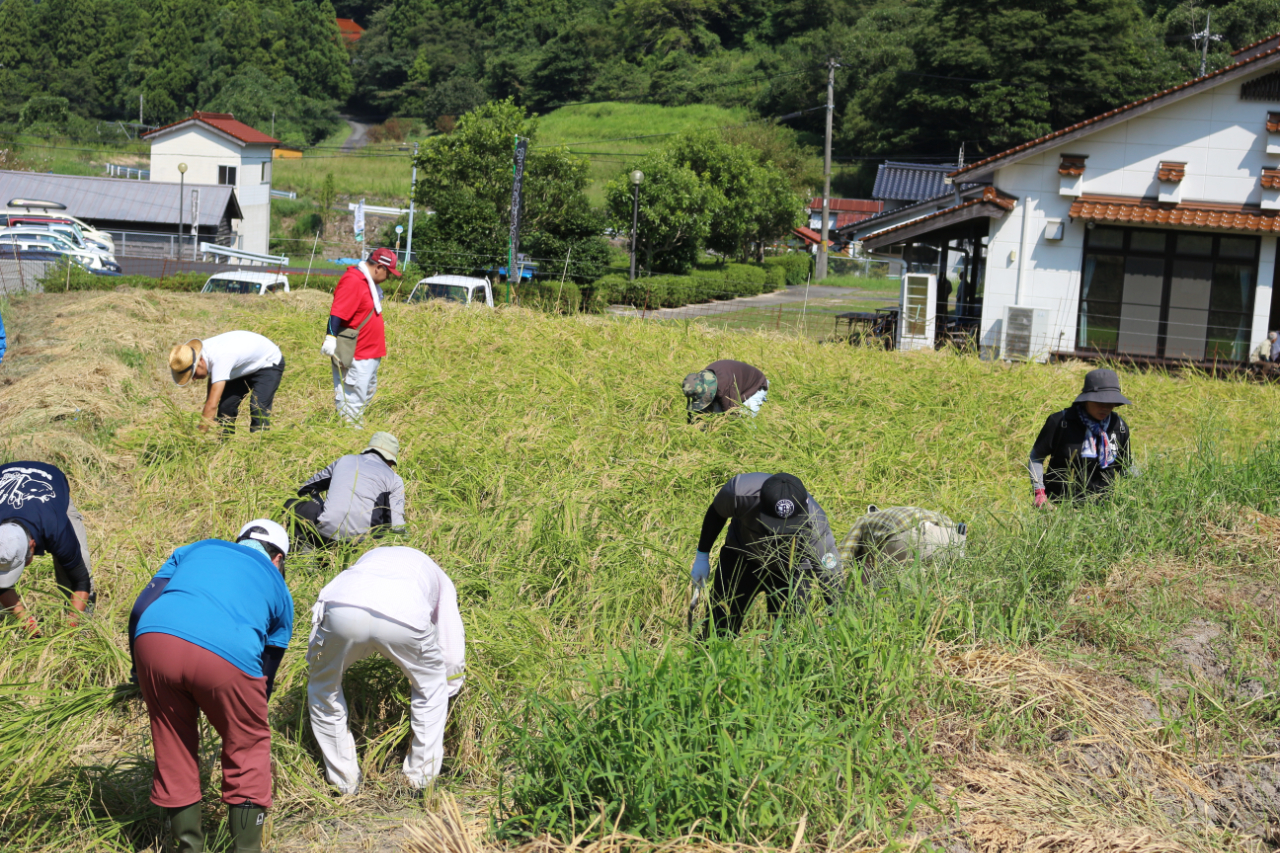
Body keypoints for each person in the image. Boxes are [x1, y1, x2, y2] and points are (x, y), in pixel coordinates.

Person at [128, 520, 293, 853]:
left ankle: (189, 848)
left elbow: (140, 608)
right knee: (248, 744)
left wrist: (139, 669)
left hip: (155, 637)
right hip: (227, 650)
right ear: (278, 558)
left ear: (240, 541)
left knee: (173, 745)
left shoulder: (197, 548)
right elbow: (266, 674)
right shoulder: (278, 585)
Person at [306, 546, 465, 796]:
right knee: (432, 688)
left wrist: (319, 665)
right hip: (404, 613)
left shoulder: (369, 560)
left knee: (323, 687)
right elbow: (452, 650)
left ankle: (343, 785)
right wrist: (449, 689)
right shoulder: (440, 578)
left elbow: (363, 626)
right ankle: (419, 781)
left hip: (342, 605)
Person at [691, 472, 841, 635]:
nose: (781, 535)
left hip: (791, 570)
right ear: (760, 504)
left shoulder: (816, 524)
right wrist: (702, 556)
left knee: (791, 636)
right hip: (742, 555)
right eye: (774, 525)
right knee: (717, 630)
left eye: (789, 527)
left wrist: (839, 622)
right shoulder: (739, 492)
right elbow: (717, 513)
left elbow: (831, 579)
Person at [0, 460, 93, 632]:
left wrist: (69, 631)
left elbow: (81, 581)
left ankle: (83, 629)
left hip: (51, 479)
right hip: (6, 477)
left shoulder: (56, 528)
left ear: (32, 545)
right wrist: (28, 625)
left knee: (79, 560)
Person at [1028, 368, 1133, 506]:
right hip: (1059, 506)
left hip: (1103, 511)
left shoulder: (1118, 426)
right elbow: (1036, 457)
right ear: (1086, 400)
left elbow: (1125, 466)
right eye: (1100, 402)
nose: (1106, 408)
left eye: (1111, 402)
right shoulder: (1061, 422)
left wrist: (1146, 488)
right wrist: (1039, 492)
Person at [321, 247, 400, 426]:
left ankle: (354, 436)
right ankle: (349, 442)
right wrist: (330, 338)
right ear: (379, 267)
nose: (389, 278)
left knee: (363, 397)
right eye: (389, 273)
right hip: (357, 355)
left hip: (369, 354)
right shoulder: (353, 281)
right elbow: (337, 313)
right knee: (351, 404)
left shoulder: (368, 282)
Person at [286, 432, 406, 549]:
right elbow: (397, 526)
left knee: (291, 505)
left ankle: (303, 554)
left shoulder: (344, 460)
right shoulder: (395, 480)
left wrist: (321, 503)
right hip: (364, 543)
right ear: (391, 461)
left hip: (326, 528)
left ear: (368, 449)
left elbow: (306, 488)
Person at [168, 331, 285, 433]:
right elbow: (211, 397)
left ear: (200, 362)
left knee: (258, 407)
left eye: (193, 374)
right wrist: (208, 417)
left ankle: (260, 448)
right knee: (226, 407)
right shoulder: (201, 354)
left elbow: (212, 405)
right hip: (242, 366)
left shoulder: (220, 358)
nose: (193, 379)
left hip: (268, 362)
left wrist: (199, 437)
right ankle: (224, 445)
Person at [838, 506, 967, 588]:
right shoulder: (898, 513)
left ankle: (861, 609)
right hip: (951, 536)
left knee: (873, 571)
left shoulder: (865, 520)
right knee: (938, 587)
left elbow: (842, 557)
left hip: (911, 536)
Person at [682, 359, 768, 423]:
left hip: (755, 386)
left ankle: (749, 445)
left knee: (744, 422)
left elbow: (733, 415)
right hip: (734, 385)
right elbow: (698, 413)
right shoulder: (698, 383)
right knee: (710, 415)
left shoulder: (724, 387)